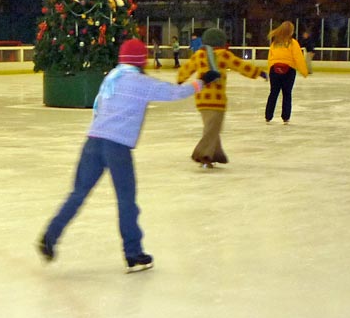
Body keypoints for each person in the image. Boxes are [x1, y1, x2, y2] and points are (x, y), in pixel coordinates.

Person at [38, 38, 220, 272]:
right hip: (117, 147)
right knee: (126, 201)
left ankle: (49, 236)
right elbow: (174, 93)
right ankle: (133, 253)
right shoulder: (139, 82)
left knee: (77, 194)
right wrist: (202, 81)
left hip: (93, 142)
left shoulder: (111, 77)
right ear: (140, 60)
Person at [177, 28, 265, 168]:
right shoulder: (223, 55)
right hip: (216, 100)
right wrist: (258, 72)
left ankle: (216, 154)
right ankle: (202, 154)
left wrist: (179, 80)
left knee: (211, 127)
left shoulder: (199, 55)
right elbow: (241, 66)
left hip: (201, 99)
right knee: (212, 128)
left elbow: (186, 69)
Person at [264, 21, 309, 124]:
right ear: (291, 31)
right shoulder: (293, 43)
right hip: (288, 71)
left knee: (273, 93)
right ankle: (285, 117)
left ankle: (268, 116)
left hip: (274, 70)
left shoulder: (274, 43)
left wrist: (271, 70)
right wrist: (304, 71)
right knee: (287, 94)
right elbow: (298, 58)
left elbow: (270, 58)